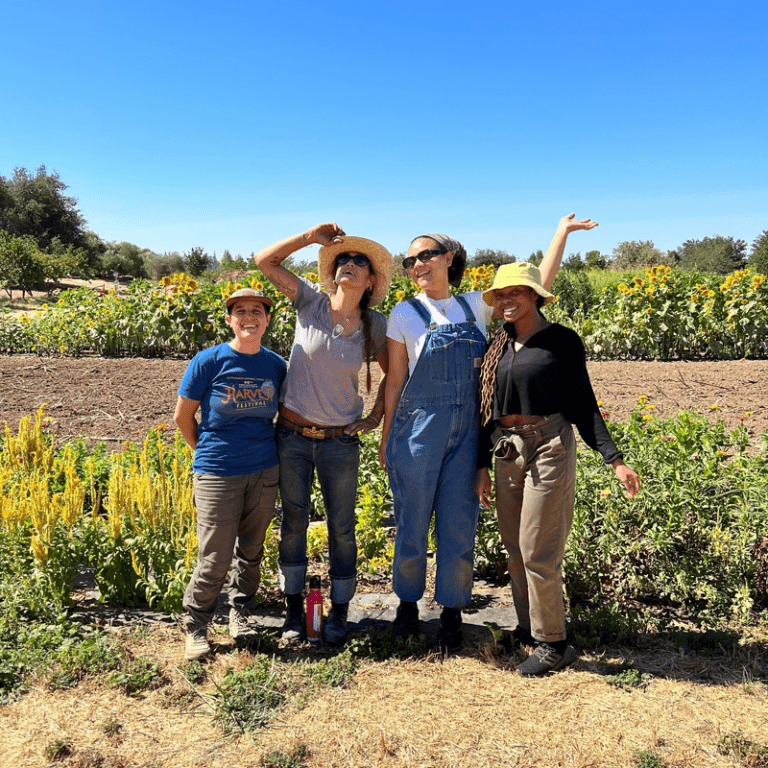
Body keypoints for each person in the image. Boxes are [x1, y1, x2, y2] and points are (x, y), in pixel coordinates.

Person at [379, 214, 594, 651]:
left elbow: (534, 286)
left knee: (460, 523)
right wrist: (386, 438)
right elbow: (396, 382)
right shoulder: (403, 313)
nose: (417, 265)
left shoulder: (474, 305)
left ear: (449, 258)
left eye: (425, 255)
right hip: (417, 432)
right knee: (411, 523)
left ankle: (453, 611)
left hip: (467, 436)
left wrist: (560, 235)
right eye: (409, 260)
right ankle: (406, 606)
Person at [476, 261, 641, 675]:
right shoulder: (497, 344)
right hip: (506, 450)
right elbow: (485, 412)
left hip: (549, 444)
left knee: (538, 550)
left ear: (535, 295)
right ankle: (528, 627)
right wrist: (481, 464)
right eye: (500, 294)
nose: (506, 299)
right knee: (514, 547)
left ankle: (554, 643)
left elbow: (582, 402)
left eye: (516, 291)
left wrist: (614, 458)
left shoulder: (561, 341)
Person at [254, 224, 391, 644]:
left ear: (370, 281)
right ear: (331, 274)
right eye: (343, 261)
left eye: (360, 263)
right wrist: (310, 237)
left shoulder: (375, 323)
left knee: (342, 528)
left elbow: (394, 374)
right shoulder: (309, 302)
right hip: (292, 437)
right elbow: (265, 261)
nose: (350, 264)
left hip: (339, 444)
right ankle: (295, 614)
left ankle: (340, 614)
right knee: (293, 523)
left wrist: (374, 418)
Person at [175, 288, 287, 661]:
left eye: (257, 311)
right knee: (214, 557)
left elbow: (283, 413)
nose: (249, 317)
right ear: (229, 319)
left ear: (267, 319)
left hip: (264, 471)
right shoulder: (208, 361)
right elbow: (182, 417)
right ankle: (196, 626)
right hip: (217, 473)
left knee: (251, 551)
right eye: (240, 311)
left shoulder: (274, 365)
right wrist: (208, 455)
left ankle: (241, 613)